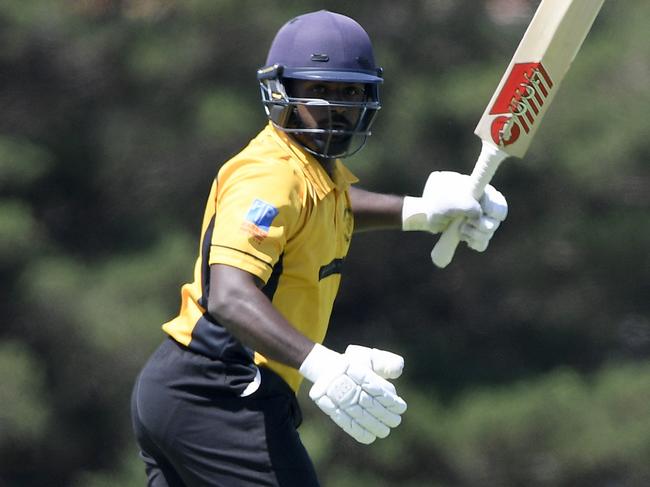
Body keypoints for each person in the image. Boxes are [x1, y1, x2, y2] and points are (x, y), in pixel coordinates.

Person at [130, 9, 508, 487]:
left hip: (189, 390)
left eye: (350, 92)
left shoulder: (314, 173)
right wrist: (321, 363)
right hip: (220, 389)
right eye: (319, 90)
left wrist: (420, 210)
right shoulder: (270, 174)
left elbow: (331, 205)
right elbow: (227, 295)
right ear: (281, 92)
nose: (336, 107)